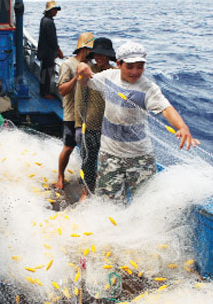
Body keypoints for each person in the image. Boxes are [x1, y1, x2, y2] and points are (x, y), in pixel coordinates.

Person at [77, 41, 200, 202]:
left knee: (145, 202)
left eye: (140, 66)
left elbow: (166, 109)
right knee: (108, 202)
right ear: (119, 64)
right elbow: (85, 81)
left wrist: (182, 127)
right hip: (109, 155)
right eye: (130, 66)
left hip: (140, 157)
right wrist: (81, 68)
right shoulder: (108, 77)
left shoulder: (148, 88)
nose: (135, 71)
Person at [74, 37, 115, 200]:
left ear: (109, 56)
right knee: (88, 160)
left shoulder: (115, 74)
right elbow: (79, 99)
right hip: (91, 124)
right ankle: (86, 191)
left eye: (102, 54)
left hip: (111, 127)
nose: (98, 57)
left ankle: (106, 191)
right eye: (96, 54)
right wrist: (78, 125)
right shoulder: (87, 72)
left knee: (110, 161)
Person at [54, 32, 94, 190]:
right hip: (72, 114)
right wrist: (76, 76)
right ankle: (60, 175)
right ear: (83, 49)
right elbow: (62, 90)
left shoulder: (91, 65)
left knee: (90, 147)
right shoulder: (68, 65)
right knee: (69, 147)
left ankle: (88, 176)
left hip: (88, 115)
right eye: (90, 50)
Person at [37, 0, 64, 99]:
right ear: (49, 11)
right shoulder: (49, 22)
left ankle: (44, 91)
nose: (56, 12)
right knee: (48, 73)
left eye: (56, 10)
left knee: (45, 72)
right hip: (48, 53)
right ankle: (45, 93)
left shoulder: (44, 19)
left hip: (44, 52)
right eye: (54, 10)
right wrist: (59, 51)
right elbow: (52, 40)